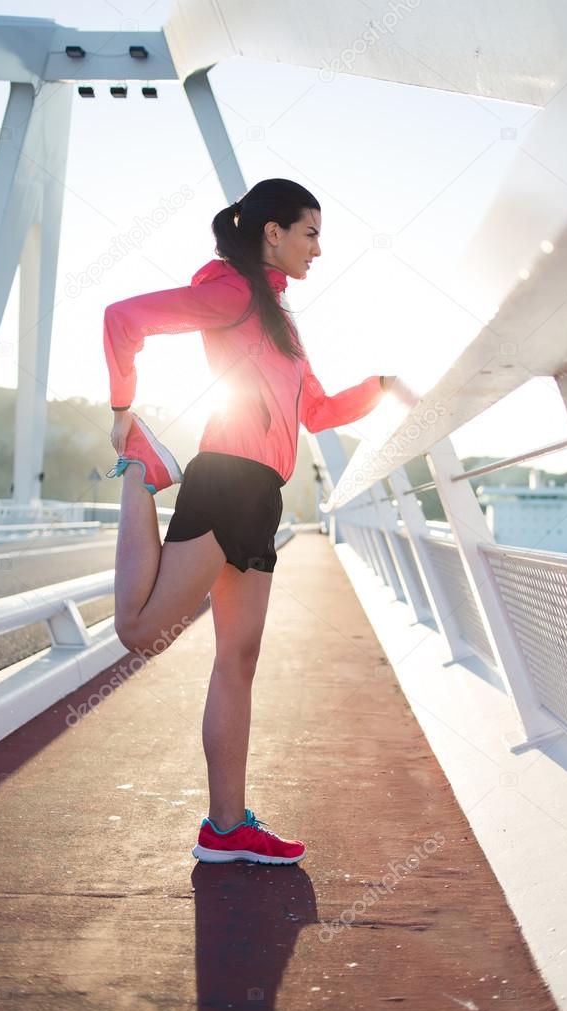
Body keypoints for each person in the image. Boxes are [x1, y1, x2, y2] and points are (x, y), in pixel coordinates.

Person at [103, 177, 396, 865]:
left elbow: (316, 413)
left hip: (263, 495)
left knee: (239, 659)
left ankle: (226, 827)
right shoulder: (234, 293)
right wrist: (123, 408)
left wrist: (383, 389)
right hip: (228, 480)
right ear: (274, 232)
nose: (319, 249)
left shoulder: (281, 322)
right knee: (142, 632)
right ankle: (142, 470)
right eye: (310, 233)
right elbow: (123, 318)